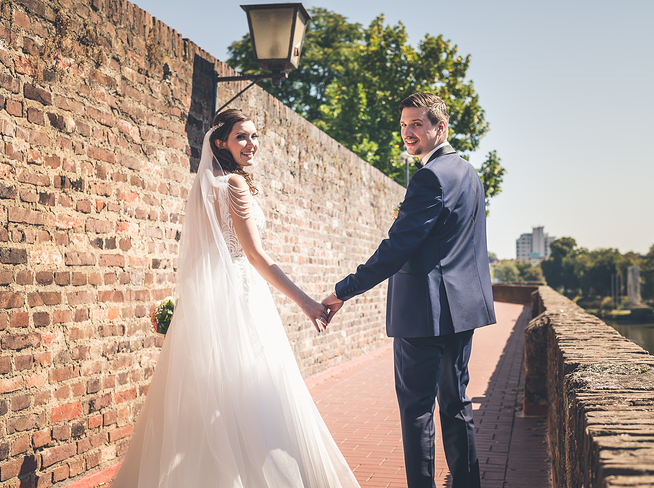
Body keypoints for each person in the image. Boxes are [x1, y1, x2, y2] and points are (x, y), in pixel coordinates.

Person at [113, 109, 360, 487]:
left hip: (215, 302)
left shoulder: (205, 188)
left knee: (214, 399)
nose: (251, 144)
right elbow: (256, 256)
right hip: (243, 300)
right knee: (257, 395)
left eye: (254, 136)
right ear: (220, 143)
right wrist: (307, 302)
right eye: (241, 137)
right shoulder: (232, 185)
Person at [322, 92, 496, 488]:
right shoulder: (469, 173)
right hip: (462, 310)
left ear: (440, 127)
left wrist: (343, 291)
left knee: (417, 411)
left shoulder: (429, 176)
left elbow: (397, 249)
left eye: (418, 124)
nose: (408, 132)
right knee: (456, 406)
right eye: (404, 124)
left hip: (423, 313)